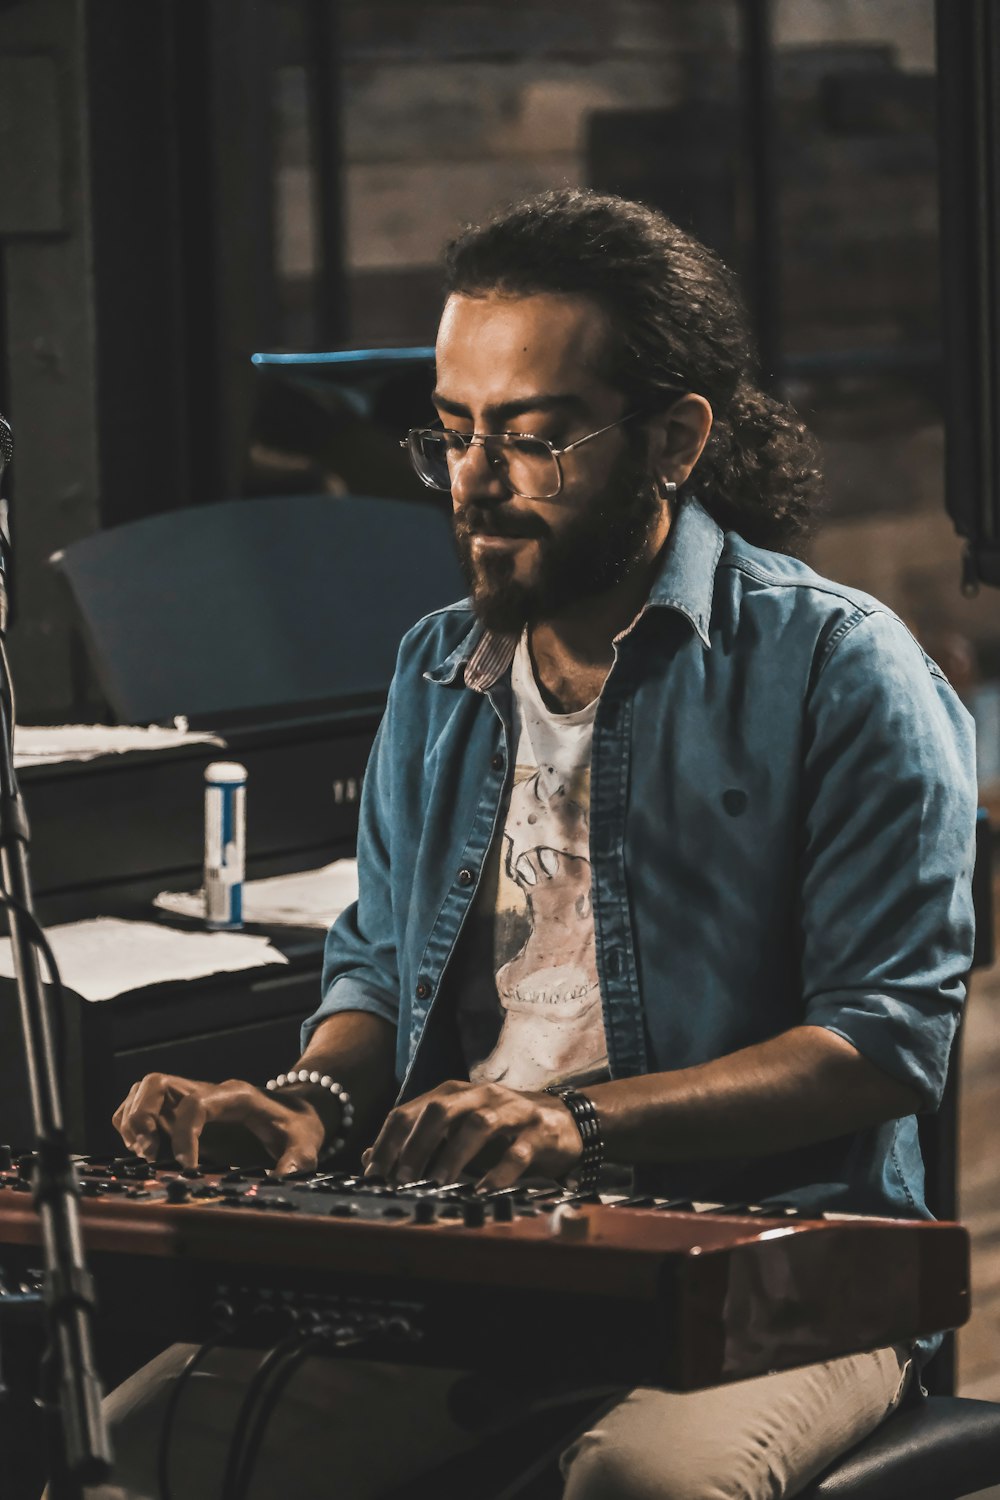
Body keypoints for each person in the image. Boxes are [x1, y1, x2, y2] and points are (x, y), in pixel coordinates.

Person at [104, 190, 977, 1500]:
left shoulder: (841, 669)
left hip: (787, 1266)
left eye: (532, 440)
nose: (472, 486)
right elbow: (375, 972)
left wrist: (566, 1123)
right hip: (498, 1257)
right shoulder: (431, 672)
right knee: (134, 1442)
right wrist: (303, 1108)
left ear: (674, 438)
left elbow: (884, 1041)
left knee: (641, 1483)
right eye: (451, 435)